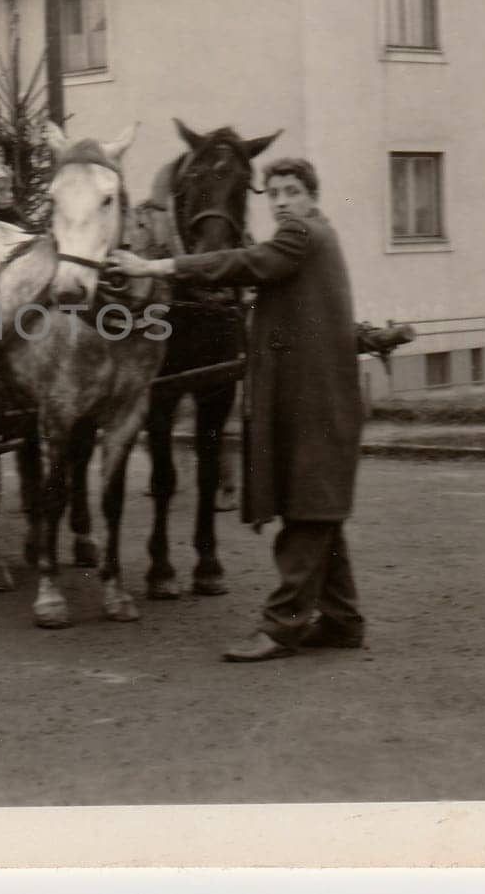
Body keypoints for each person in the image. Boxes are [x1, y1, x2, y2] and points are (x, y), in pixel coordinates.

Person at [108, 158, 367, 663]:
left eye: (292, 191)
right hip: (316, 397)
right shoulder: (313, 238)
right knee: (320, 511)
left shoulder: (301, 238)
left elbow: (241, 262)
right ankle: (342, 620)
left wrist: (153, 266)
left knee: (307, 513)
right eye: (273, 193)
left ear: (313, 194)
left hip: (314, 401)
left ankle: (281, 626)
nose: (281, 201)